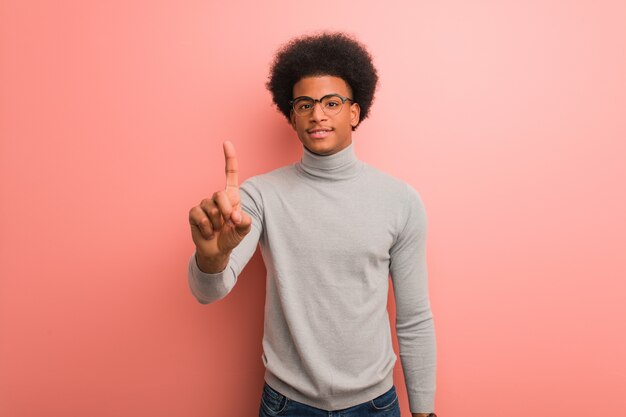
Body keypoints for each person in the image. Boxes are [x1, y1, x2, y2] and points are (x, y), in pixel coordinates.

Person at [187, 31, 437, 417]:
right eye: (304, 104)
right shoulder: (260, 196)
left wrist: (424, 412)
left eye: (331, 103)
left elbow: (415, 318)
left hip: (374, 404)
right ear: (291, 115)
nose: (317, 114)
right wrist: (211, 258)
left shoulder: (400, 200)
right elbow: (209, 291)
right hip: (287, 405)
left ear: (354, 112)